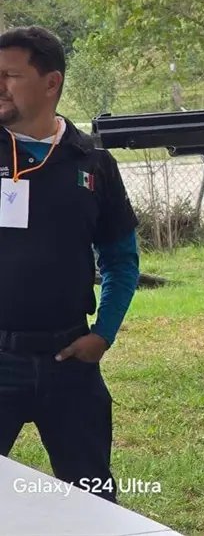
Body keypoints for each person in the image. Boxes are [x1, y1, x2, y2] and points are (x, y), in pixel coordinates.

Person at [0, 26, 140, 503]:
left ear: (51, 82)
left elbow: (122, 261)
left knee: (93, 500)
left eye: (9, 76)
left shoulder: (94, 163)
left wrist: (104, 333)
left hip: (69, 360)